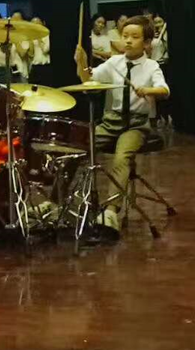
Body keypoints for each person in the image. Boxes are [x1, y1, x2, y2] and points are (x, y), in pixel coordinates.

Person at [74, 15, 170, 237]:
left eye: (134, 37)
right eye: (125, 36)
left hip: (136, 125)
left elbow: (164, 90)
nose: (127, 40)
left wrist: (148, 90)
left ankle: (110, 211)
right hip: (110, 122)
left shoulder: (151, 66)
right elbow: (89, 80)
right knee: (76, 146)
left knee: (121, 158)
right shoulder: (113, 63)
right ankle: (53, 203)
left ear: (147, 42)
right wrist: (81, 63)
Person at [28, 16, 52, 85]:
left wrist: (39, 38)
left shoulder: (47, 36)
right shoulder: (32, 37)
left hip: (45, 66)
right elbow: (31, 54)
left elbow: (45, 50)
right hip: (35, 66)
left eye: (37, 24)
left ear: (43, 23)